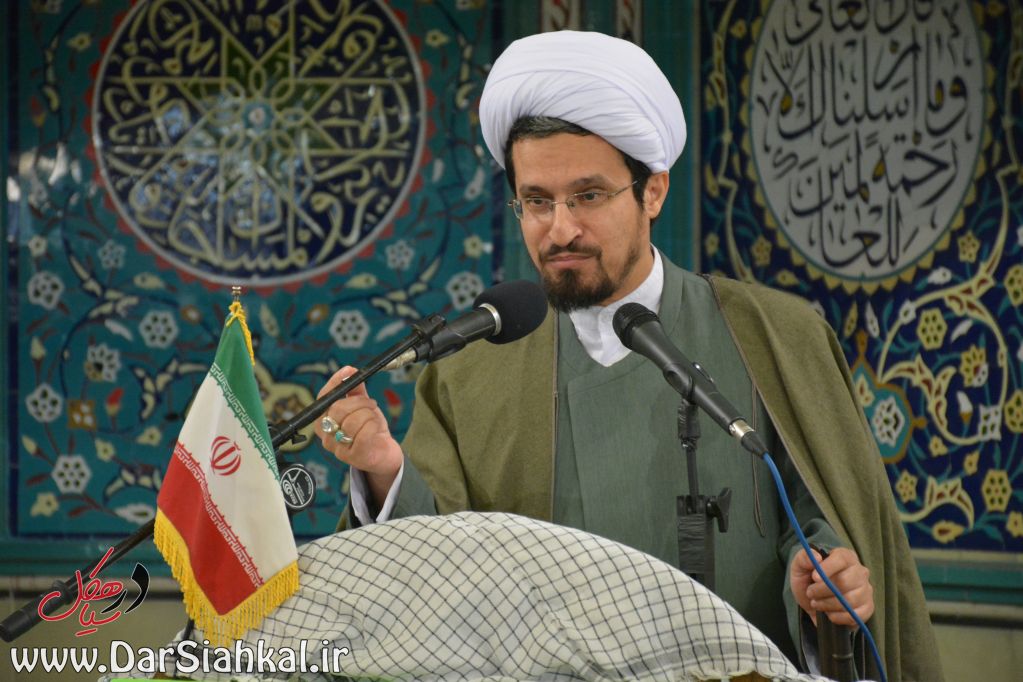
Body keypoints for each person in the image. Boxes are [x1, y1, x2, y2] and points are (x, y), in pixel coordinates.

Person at [315, 31, 942, 682]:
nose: (560, 229)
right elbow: (440, 572)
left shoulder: (774, 336)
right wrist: (384, 472)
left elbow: (818, 523)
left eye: (588, 196)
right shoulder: (469, 372)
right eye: (537, 201)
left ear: (652, 192)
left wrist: (822, 580)